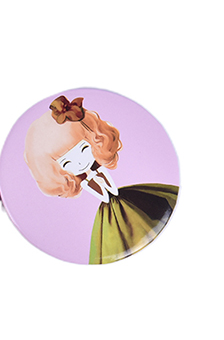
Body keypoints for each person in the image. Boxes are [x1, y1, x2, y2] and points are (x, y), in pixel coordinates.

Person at [24, 95, 179, 263]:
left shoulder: (99, 170)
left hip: (128, 198)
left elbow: (113, 190)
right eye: (67, 163)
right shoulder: (86, 182)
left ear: (95, 141)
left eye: (84, 149)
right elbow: (105, 196)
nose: (80, 162)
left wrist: (102, 180)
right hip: (110, 213)